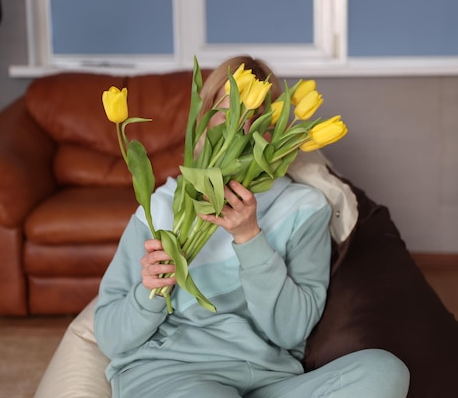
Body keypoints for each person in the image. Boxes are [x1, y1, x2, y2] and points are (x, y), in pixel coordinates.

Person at [93, 55, 410, 398]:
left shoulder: (305, 208)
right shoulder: (159, 208)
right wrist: (148, 291)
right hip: (173, 374)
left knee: (385, 370)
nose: (236, 131)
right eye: (224, 115)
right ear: (202, 122)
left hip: (268, 382)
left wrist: (250, 238)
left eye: (252, 119)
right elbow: (110, 337)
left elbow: (291, 332)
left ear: (271, 129)